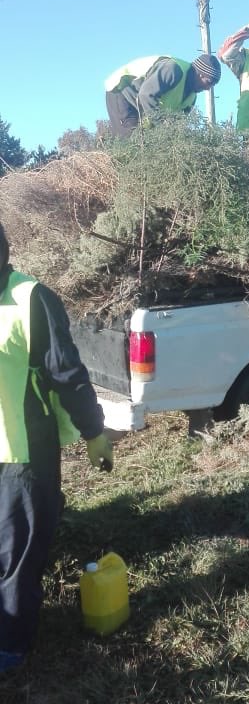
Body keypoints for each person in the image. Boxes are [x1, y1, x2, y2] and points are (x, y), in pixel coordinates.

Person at [0, 223, 113, 672]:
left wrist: (93, 431)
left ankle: (11, 644)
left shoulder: (31, 299)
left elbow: (66, 374)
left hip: (22, 451)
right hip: (14, 452)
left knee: (16, 549)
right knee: (12, 549)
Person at [105, 53, 222, 138]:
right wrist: (161, 129)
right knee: (130, 140)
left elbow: (177, 125)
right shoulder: (173, 69)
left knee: (149, 146)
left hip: (141, 106)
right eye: (208, 82)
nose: (208, 88)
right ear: (200, 74)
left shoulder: (191, 98)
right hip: (122, 90)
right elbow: (146, 95)